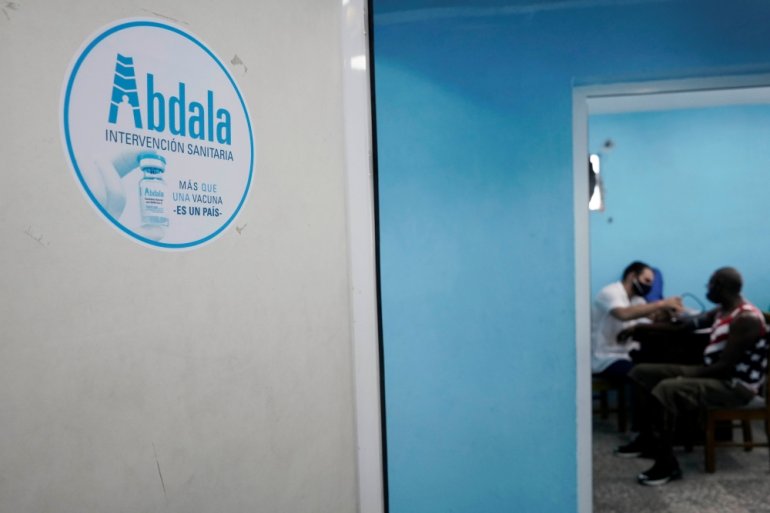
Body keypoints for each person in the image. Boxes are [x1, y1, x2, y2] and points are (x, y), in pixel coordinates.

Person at [615, 267, 768, 486]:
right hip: (717, 376)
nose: (707, 288)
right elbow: (686, 326)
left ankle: (667, 464)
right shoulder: (723, 310)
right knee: (641, 373)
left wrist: (683, 376)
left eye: (711, 284)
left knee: (667, 388)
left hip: (735, 387)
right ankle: (648, 439)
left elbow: (724, 368)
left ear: (722, 288)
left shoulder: (746, 318)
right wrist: (639, 327)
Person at [591, 261, 684, 379]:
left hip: (627, 353)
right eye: (647, 281)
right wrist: (661, 304)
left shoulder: (637, 299)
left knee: (664, 364)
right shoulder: (610, 292)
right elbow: (623, 314)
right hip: (605, 358)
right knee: (644, 374)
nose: (649, 286)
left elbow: (653, 317)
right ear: (632, 276)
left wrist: (670, 312)